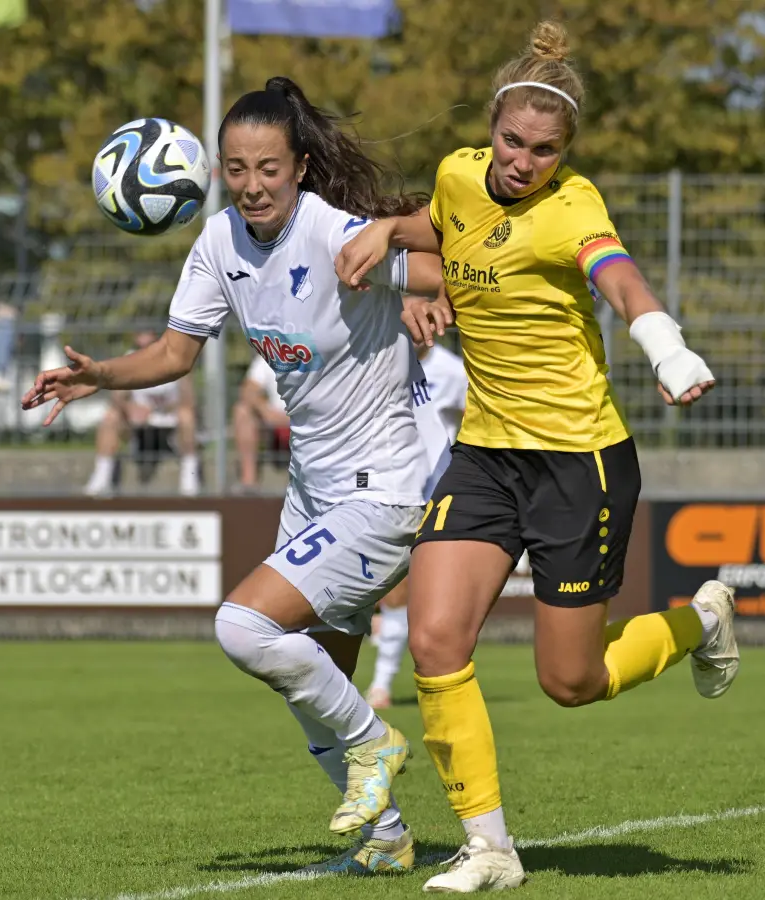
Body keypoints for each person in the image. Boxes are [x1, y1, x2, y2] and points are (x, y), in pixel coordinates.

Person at [336, 22, 739, 891]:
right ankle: (490, 848)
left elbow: (619, 275)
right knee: (438, 637)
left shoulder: (573, 205)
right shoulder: (454, 171)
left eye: (544, 150)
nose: (524, 162)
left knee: (572, 681)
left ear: (565, 154)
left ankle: (700, 620)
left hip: (579, 463)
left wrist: (664, 345)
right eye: (513, 142)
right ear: (491, 127)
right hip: (485, 454)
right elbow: (446, 227)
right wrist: (392, 235)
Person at [24, 76, 451, 876]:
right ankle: (388, 837)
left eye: (268, 167)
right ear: (216, 171)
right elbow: (177, 353)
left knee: (242, 628)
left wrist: (423, 298)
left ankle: (377, 744)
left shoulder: (337, 234)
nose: (253, 184)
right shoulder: (218, 242)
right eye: (236, 168)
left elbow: (452, 274)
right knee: (313, 680)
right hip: (313, 491)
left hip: (382, 488)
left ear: (299, 165)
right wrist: (103, 377)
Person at [366, 341, 468, 710]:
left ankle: (383, 684)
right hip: (386, 487)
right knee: (392, 590)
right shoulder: (380, 360)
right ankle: (380, 681)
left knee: (416, 595)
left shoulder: (453, 371)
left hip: (436, 495)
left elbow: (478, 418)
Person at [83, 330, 201, 497]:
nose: (143, 350)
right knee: (111, 417)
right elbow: (117, 397)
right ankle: (101, 477)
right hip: (138, 425)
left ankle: (190, 479)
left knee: (187, 416)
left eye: (148, 346)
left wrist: (164, 408)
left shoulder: (176, 358)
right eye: (139, 346)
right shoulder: (130, 359)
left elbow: (189, 399)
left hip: (171, 422)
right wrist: (130, 408)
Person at [232, 354, 292, 490]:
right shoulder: (270, 352)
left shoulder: (318, 351)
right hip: (276, 422)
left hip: (310, 420)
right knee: (242, 411)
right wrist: (265, 411)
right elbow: (248, 389)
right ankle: (249, 484)